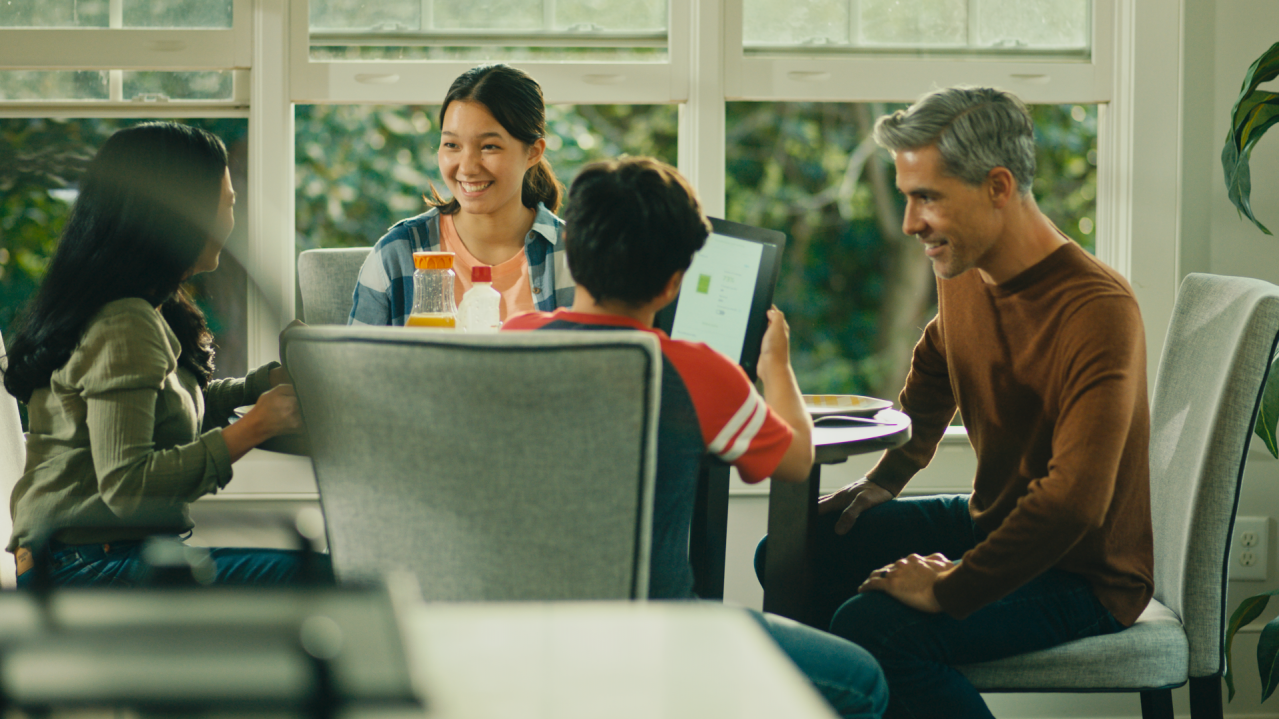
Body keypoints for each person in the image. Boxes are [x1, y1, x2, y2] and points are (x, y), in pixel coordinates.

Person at [755, 87, 1154, 718]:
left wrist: (951, 587)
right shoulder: (966, 266)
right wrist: (885, 480)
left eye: (927, 197)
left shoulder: (1097, 309)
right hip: (995, 519)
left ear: (998, 186)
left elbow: (1073, 501)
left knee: (875, 627)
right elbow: (940, 360)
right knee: (796, 549)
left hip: (1083, 574)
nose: (911, 222)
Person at [505, 156, 888, 719]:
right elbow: (797, 460)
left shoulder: (511, 340)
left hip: (522, 633)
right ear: (673, 281)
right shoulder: (698, 371)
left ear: (573, 257)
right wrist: (776, 365)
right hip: (660, 634)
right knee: (861, 681)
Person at [2, 122, 333, 588]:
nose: (231, 222)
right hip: (88, 568)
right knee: (325, 576)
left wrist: (257, 386)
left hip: (89, 559)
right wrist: (257, 425)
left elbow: (165, 410)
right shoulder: (125, 322)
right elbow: (129, 489)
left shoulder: (139, 307)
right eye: (227, 205)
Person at [349, 63, 573, 326]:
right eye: (452, 145)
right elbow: (356, 366)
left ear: (533, 152)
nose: (467, 167)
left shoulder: (578, 258)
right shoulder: (396, 254)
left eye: (489, 146)